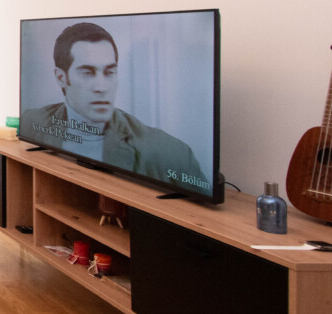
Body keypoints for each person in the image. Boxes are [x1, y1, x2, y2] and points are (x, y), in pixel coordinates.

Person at [20, 22, 208, 189]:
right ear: (61, 77)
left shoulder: (169, 154)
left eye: (109, 72)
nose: (101, 87)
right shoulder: (31, 122)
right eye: (87, 72)